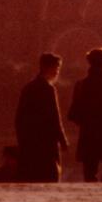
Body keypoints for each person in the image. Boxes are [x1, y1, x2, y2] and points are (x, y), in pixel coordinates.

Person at [68, 48, 102, 182]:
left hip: (88, 134)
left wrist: (86, 121)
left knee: (89, 172)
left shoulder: (81, 84)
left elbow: (72, 114)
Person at [16, 53, 68, 183]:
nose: (57, 72)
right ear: (47, 67)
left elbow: (19, 117)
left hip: (29, 143)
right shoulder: (48, 89)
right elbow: (54, 118)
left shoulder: (28, 88)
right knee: (49, 178)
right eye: (56, 68)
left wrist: (22, 138)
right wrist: (62, 140)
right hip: (47, 144)